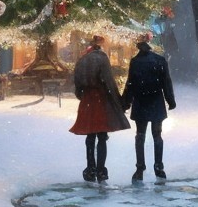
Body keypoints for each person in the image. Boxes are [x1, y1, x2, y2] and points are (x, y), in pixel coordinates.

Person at [70, 35, 130, 183]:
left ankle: (90, 168)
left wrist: (83, 95)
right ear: (100, 45)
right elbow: (109, 81)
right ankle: (101, 171)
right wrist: (119, 101)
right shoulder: (102, 58)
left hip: (87, 100)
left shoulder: (82, 60)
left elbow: (77, 84)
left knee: (90, 136)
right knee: (102, 136)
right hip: (100, 99)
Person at [121, 34, 176, 182]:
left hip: (140, 102)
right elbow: (166, 82)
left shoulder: (135, 62)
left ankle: (140, 168)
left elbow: (130, 84)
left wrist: (125, 102)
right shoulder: (159, 61)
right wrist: (170, 101)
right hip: (156, 101)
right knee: (157, 135)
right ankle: (159, 167)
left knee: (140, 135)